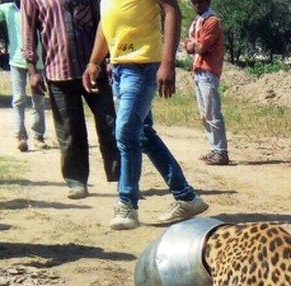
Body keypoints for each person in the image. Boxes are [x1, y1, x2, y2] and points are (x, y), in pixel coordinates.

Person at [84, 0, 208, 230]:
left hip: (142, 67)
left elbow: (172, 11)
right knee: (142, 134)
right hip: (120, 67)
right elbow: (107, 20)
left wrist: (168, 63)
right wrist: (94, 60)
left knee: (126, 132)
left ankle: (127, 204)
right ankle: (187, 198)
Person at [21, 0, 119, 200]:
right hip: (59, 73)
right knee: (69, 131)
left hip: (94, 69)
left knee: (110, 125)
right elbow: (28, 32)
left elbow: (103, 20)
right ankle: (76, 182)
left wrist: (108, 58)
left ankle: (122, 180)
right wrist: (32, 71)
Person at [0, 0, 47, 153]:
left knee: (39, 100)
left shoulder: (39, 5)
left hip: (39, 61)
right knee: (18, 99)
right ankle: (20, 136)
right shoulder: (8, 9)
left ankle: (38, 136)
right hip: (17, 61)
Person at [184, 0, 229, 166]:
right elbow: (188, 45)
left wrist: (192, 45)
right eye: (193, 1)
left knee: (212, 113)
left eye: (199, 1)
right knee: (205, 114)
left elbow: (201, 47)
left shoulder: (212, 21)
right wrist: (192, 45)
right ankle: (214, 149)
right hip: (199, 70)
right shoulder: (198, 21)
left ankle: (221, 151)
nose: (195, 4)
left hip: (208, 70)